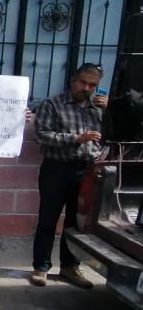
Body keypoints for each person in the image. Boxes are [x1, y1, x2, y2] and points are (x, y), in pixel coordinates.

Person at [30, 63, 106, 289]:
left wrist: (110, 111)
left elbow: (113, 135)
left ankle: (70, 267)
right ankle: (41, 267)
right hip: (57, 168)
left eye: (93, 85)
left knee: (76, 223)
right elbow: (41, 135)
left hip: (86, 171)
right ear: (73, 80)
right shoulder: (53, 104)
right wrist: (75, 139)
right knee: (48, 219)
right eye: (83, 82)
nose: (87, 88)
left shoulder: (98, 108)